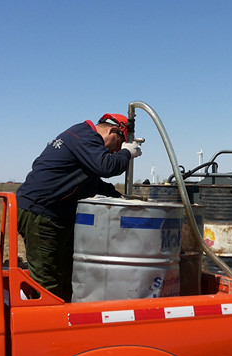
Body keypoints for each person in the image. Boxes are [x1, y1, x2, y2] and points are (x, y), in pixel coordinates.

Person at [16, 113, 142, 300]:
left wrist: (120, 196)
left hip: (52, 213)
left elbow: (92, 182)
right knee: (47, 281)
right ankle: (46, 323)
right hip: (40, 213)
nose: (115, 151)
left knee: (68, 273)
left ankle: (67, 319)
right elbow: (106, 167)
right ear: (112, 131)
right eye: (117, 145)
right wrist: (127, 153)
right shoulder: (85, 136)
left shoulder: (83, 138)